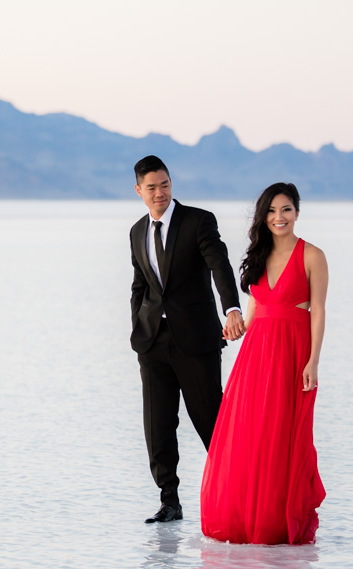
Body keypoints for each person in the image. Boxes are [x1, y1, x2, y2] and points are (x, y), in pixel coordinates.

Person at [200, 182, 328, 544]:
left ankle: (274, 519)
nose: (279, 217)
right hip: (255, 356)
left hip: (292, 353)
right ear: (263, 217)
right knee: (250, 434)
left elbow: (317, 311)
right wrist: (236, 329)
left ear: (298, 212)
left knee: (284, 435)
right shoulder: (258, 255)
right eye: (272, 211)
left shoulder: (312, 256)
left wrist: (313, 361)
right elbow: (257, 308)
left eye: (286, 209)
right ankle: (242, 516)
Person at [129, 155, 245, 524]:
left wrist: (231, 309)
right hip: (153, 343)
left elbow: (219, 265)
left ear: (171, 184)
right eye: (152, 187)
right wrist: (138, 329)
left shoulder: (198, 221)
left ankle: (236, 493)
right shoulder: (136, 232)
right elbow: (140, 285)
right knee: (158, 425)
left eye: (165, 184)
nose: (160, 192)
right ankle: (170, 501)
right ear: (139, 191)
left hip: (196, 341)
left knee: (212, 421)